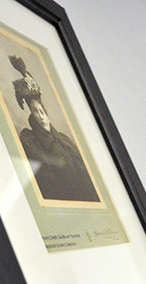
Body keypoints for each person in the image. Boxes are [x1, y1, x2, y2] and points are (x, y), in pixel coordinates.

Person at [9, 55, 99, 202]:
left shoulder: (64, 139)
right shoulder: (29, 139)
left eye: (42, 111)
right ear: (31, 114)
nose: (41, 117)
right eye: (35, 112)